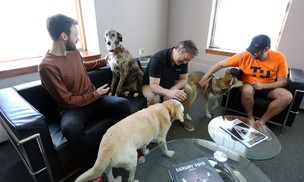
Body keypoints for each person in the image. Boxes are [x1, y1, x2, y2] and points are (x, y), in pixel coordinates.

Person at [38, 14, 132, 171]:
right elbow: (67, 101)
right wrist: (96, 94)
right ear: (64, 36)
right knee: (71, 129)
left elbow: (82, 66)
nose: (78, 39)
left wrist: (103, 61)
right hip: (73, 108)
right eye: (75, 35)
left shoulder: (73, 51)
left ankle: (123, 146)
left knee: (123, 104)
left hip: (94, 100)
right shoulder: (47, 67)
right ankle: (96, 167)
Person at [199, 34, 292, 139]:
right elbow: (220, 64)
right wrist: (205, 77)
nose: (251, 52)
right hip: (249, 85)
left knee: (287, 97)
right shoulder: (245, 55)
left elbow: (282, 82)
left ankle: (261, 122)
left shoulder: (279, 57)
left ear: (266, 49)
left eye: (256, 50)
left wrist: (264, 86)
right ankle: (250, 119)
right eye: (251, 49)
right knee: (247, 91)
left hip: (268, 86)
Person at [142, 40, 198, 131]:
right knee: (154, 98)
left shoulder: (183, 61)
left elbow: (184, 79)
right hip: (150, 85)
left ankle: (181, 117)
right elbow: (153, 85)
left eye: (188, 60)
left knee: (188, 90)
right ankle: (154, 126)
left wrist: (172, 90)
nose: (185, 62)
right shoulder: (158, 59)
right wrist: (168, 92)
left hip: (170, 84)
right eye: (185, 58)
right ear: (179, 50)